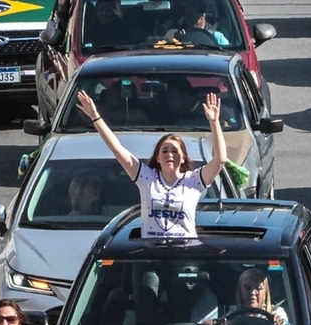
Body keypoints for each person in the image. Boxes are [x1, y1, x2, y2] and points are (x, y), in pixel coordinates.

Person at [75, 90, 227, 238]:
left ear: (183, 158)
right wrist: (95, 117)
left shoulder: (193, 180)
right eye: (165, 151)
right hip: (151, 254)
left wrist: (214, 123)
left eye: (175, 151)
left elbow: (220, 160)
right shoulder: (147, 177)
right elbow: (117, 149)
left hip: (183, 255)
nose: (170, 154)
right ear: (158, 158)